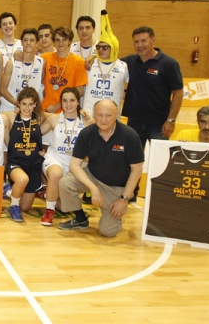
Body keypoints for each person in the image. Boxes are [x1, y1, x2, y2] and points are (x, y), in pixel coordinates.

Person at [57, 100, 144, 237]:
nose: (103, 120)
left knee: (107, 232)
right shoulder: (87, 133)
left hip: (116, 188)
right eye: (99, 115)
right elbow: (74, 165)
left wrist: (123, 199)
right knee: (65, 183)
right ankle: (80, 219)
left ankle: (116, 211)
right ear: (94, 114)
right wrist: (93, 188)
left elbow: (137, 170)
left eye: (108, 115)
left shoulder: (129, 135)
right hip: (93, 176)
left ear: (116, 115)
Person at [121, 26, 184, 148]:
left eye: (143, 41)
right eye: (136, 42)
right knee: (132, 157)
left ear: (153, 40)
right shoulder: (128, 61)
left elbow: (178, 92)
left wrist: (171, 120)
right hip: (134, 122)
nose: (140, 45)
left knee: (160, 156)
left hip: (159, 124)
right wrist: (93, 58)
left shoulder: (168, 64)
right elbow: (109, 63)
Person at [39, 88, 92, 227]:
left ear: (78, 102)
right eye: (65, 101)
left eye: (72, 100)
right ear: (61, 102)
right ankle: (49, 211)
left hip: (76, 163)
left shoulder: (87, 121)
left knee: (65, 207)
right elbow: (35, 133)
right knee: (55, 175)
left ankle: (50, 195)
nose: (68, 104)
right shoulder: (54, 118)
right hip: (55, 158)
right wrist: (36, 150)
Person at [1, 87, 46, 222]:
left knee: (25, 207)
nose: (27, 108)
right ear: (19, 104)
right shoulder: (12, 117)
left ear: (35, 104)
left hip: (33, 165)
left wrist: (81, 111)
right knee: (22, 179)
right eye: (24, 104)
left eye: (30, 104)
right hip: (16, 163)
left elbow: (61, 116)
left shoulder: (39, 117)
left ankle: (9, 191)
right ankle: (13, 206)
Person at [40, 26, 87, 113]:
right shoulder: (45, 58)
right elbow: (28, 59)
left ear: (69, 41)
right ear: (53, 41)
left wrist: (57, 106)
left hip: (68, 111)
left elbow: (80, 91)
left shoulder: (79, 62)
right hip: (46, 109)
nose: (61, 43)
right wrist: (18, 54)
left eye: (64, 39)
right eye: (57, 40)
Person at [0, 28, 45, 113]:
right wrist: (18, 104)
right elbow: (3, 90)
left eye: (32, 40)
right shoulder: (11, 63)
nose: (28, 43)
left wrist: (27, 105)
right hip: (10, 106)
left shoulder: (41, 63)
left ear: (37, 43)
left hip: (30, 109)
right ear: (21, 42)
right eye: (25, 40)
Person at [82, 36, 129, 116]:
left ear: (113, 48)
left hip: (111, 115)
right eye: (98, 47)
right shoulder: (90, 63)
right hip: (89, 115)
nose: (100, 50)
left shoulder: (122, 66)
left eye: (105, 47)